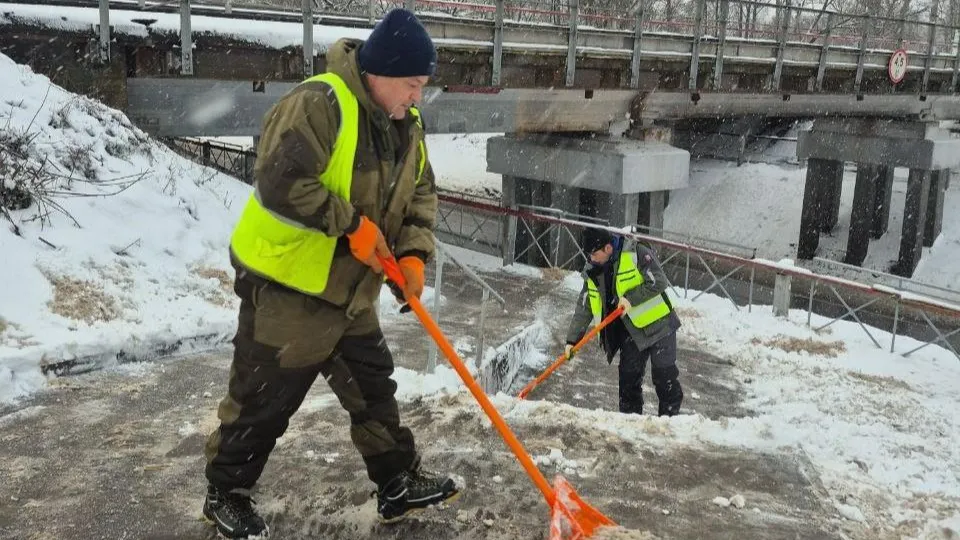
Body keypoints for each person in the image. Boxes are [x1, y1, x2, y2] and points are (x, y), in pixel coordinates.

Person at [201, 9, 459, 539]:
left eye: (422, 87)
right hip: (289, 288)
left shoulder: (407, 126)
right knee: (262, 400)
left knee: (373, 388)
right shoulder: (320, 103)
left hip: (350, 292)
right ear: (382, 72)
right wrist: (351, 226)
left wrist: (413, 256)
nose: (418, 97)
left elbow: (421, 193)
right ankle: (225, 493)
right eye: (412, 84)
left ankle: (396, 482)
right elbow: (279, 179)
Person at [565, 227, 684, 417]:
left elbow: (658, 281)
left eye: (594, 254)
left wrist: (631, 298)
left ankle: (670, 422)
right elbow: (584, 306)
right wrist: (572, 340)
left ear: (608, 248)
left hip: (660, 326)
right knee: (628, 380)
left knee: (665, 378)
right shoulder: (593, 270)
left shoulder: (636, 252)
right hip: (631, 331)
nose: (591, 259)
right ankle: (630, 422)